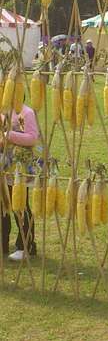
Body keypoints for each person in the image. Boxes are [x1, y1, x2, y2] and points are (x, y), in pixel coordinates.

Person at [1, 102, 40, 261]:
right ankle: (3, 243)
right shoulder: (3, 111)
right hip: (5, 166)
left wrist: (9, 135)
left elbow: (32, 138)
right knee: (4, 205)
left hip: (20, 167)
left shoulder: (27, 113)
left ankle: (26, 246)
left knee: (20, 205)